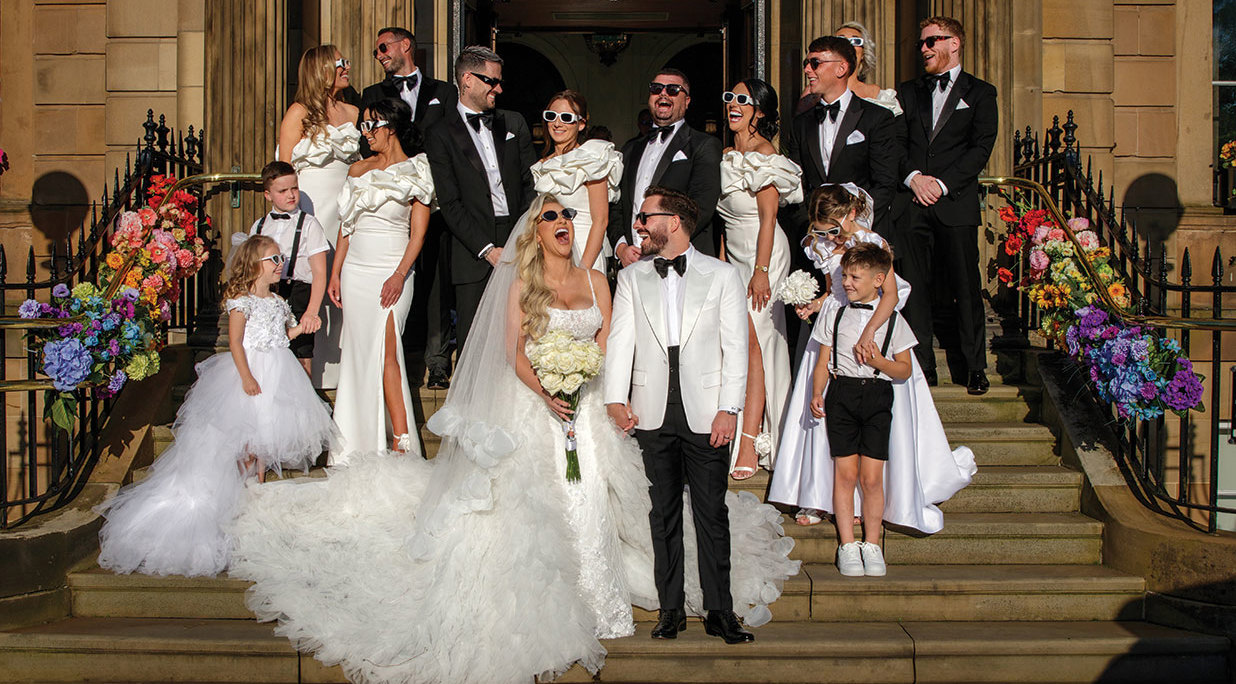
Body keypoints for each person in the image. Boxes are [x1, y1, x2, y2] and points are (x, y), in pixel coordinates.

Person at [227, 194, 798, 683]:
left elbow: (615, 342)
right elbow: (512, 350)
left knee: (597, 501)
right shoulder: (523, 284)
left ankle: (618, 603)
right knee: (539, 507)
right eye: (551, 216)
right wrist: (549, 389)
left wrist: (591, 383)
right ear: (535, 230)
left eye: (567, 216)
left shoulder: (602, 279)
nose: (562, 223)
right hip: (537, 410)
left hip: (591, 410)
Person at [96, 236, 337, 578]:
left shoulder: (280, 302)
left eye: (280, 259)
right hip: (251, 370)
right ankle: (243, 480)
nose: (279, 264)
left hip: (279, 370)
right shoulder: (242, 302)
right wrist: (246, 376)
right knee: (246, 430)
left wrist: (303, 327)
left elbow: (282, 337)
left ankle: (259, 480)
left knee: (268, 427)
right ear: (255, 264)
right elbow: (237, 343)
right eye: (273, 259)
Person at [768, 184, 975, 540]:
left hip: (872, 327)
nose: (827, 237)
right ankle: (819, 495)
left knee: (871, 426)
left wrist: (870, 333)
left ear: (850, 216)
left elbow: (890, 295)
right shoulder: (819, 243)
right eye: (820, 231)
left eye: (833, 230)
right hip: (833, 329)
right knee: (822, 412)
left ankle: (868, 500)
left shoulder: (872, 243)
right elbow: (836, 292)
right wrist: (814, 305)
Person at [605, 186, 757, 645]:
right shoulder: (631, 279)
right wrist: (615, 397)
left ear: (672, 221)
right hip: (650, 412)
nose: (638, 225)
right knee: (662, 514)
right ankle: (670, 609)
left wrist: (730, 409)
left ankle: (720, 610)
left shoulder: (723, 275)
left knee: (712, 513)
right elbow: (620, 342)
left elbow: (737, 348)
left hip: (708, 412)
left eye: (645, 217)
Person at [894, 16, 998, 394]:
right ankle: (921, 366)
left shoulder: (982, 93)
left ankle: (974, 366)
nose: (923, 48)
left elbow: (980, 148)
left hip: (954, 202)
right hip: (913, 203)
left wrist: (941, 183)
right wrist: (914, 178)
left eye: (931, 41)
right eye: (922, 42)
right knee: (915, 286)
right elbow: (896, 144)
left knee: (965, 284)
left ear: (954, 43)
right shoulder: (907, 92)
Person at [329, 98, 432, 460]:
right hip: (356, 270)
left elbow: (418, 234)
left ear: (391, 126)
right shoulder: (357, 170)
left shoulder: (418, 169)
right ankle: (354, 445)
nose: (366, 132)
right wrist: (335, 272)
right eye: (363, 126)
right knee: (358, 354)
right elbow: (347, 225)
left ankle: (400, 440)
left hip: (394, 268)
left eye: (372, 124)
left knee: (389, 352)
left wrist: (400, 274)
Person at [359, 27, 459, 390]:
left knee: (434, 279)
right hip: (391, 201)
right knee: (388, 275)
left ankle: (437, 361)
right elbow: (364, 144)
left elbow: (454, 142)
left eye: (383, 46)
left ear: (406, 46)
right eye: (376, 51)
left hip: (434, 202)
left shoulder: (444, 93)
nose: (380, 54)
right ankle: (392, 358)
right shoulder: (372, 94)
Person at [809, 242, 916, 576]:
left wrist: (878, 361)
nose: (848, 283)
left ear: (878, 280)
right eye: (844, 276)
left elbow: (904, 369)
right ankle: (847, 544)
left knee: (871, 478)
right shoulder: (835, 313)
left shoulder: (892, 321)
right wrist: (817, 391)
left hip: (876, 395)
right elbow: (823, 362)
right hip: (841, 394)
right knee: (845, 474)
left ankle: (873, 542)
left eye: (855, 276)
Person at [716, 78, 802, 479]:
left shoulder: (767, 155)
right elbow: (724, 222)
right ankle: (743, 433)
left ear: (760, 112)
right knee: (737, 343)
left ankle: (752, 442)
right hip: (733, 258)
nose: (733, 105)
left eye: (743, 100)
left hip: (763, 257)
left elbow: (769, 217)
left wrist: (761, 272)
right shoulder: (728, 154)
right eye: (730, 98)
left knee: (757, 344)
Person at [424, 45, 535, 350]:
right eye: (491, 81)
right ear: (467, 80)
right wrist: (486, 249)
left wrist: (521, 237)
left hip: (518, 238)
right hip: (472, 247)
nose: (498, 88)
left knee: (520, 337)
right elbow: (449, 202)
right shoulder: (439, 133)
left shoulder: (512, 123)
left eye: (499, 81)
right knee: (475, 344)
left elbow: (529, 183)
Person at [277, 45, 360, 390]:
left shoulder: (355, 112)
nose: (347, 67)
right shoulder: (298, 113)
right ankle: (307, 371)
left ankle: (346, 371)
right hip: (311, 211)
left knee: (347, 284)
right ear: (322, 69)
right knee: (309, 284)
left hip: (345, 211)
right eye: (340, 63)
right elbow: (283, 170)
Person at [610, 69, 723, 263]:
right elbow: (617, 206)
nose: (663, 93)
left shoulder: (703, 145)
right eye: (656, 89)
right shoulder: (630, 149)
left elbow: (701, 208)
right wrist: (621, 248)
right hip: (632, 263)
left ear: (687, 101)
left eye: (672, 90)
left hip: (681, 262)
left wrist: (658, 245)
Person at [246, 161, 328, 376]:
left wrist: (311, 311)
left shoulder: (310, 224)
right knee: (266, 353)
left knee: (301, 354)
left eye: (294, 188)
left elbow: (320, 273)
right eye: (283, 191)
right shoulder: (259, 225)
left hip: (300, 292)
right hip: (268, 294)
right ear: (268, 195)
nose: (291, 195)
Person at [531, 90, 622, 272]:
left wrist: (582, 270)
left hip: (586, 254)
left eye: (566, 117)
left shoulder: (592, 160)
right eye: (551, 116)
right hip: (551, 255)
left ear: (581, 124)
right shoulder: (542, 165)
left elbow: (601, 220)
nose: (557, 123)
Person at [835, 21, 903, 116]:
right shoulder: (817, 94)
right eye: (841, 40)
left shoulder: (879, 97)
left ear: (863, 53)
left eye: (856, 41)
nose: (848, 45)